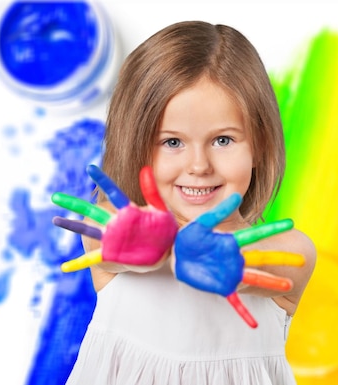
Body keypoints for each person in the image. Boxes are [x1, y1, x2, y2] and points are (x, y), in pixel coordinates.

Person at [55, 20, 316, 385]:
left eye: (223, 140)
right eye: (172, 142)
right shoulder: (118, 224)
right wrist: (155, 248)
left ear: (260, 146)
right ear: (138, 143)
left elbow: (289, 263)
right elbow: (104, 237)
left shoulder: (284, 251)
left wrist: (230, 262)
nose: (199, 166)